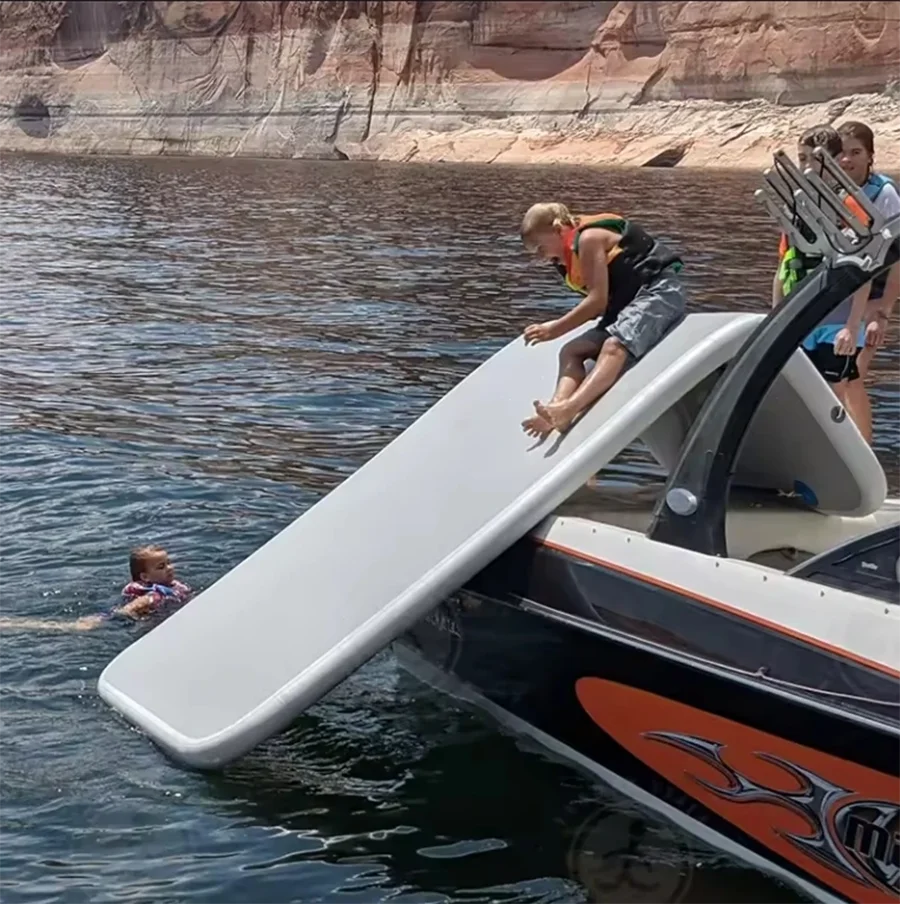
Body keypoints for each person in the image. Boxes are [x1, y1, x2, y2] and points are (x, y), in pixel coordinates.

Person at [519, 202, 686, 437]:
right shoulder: (565, 259)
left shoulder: (589, 239)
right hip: (626, 305)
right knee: (571, 350)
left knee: (614, 345)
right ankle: (555, 409)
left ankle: (570, 407)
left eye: (540, 248)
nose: (541, 257)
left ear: (557, 230)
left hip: (659, 293)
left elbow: (597, 301)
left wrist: (554, 329)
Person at [771, 125, 873, 439]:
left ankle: (842, 465)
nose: (804, 167)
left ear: (833, 161)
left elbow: (864, 271)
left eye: (812, 160)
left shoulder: (851, 208)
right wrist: (776, 318)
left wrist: (852, 326)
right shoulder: (797, 209)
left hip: (836, 323)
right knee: (802, 397)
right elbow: (783, 267)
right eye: (800, 159)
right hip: (802, 321)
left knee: (832, 397)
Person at [835, 120, 900, 442]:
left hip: (872, 297)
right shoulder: (831, 190)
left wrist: (884, 311)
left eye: (855, 153)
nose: (847, 160)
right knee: (830, 378)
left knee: (853, 375)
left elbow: (898, 259)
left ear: (870, 155)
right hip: (837, 297)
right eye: (842, 153)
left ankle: (862, 451)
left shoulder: (884, 193)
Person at [0, 544, 193, 632]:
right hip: (113, 620)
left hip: (117, 616)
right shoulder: (154, 595)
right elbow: (135, 607)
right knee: (73, 627)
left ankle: (9, 622)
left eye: (168, 563)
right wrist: (121, 614)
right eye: (162, 566)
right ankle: (14, 624)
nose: (170, 568)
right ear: (145, 577)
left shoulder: (167, 588)